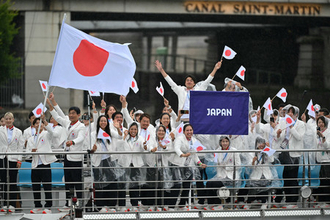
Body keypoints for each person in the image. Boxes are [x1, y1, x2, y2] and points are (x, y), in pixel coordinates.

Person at [48, 93, 85, 210]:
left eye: (74, 113)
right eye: (70, 113)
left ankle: (79, 202)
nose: (71, 115)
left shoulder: (81, 126)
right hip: (67, 157)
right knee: (68, 181)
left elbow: (81, 138)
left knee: (77, 182)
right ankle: (68, 202)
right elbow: (58, 115)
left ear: (78, 115)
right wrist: (51, 103)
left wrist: (72, 142)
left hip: (76, 158)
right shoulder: (67, 122)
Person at [155, 59, 222, 120]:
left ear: (194, 83)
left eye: (191, 80)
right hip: (183, 118)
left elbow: (208, 80)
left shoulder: (198, 89)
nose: (189, 81)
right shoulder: (180, 90)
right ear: (185, 83)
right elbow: (171, 82)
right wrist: (161, 70)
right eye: (187, 80)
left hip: (196, 118)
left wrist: (215, 69)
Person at [90, 115, 125, 213]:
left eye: (105, 121)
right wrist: (93, 149)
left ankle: (111, 205)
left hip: (109, 160)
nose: (103, 123)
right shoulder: (93, 134)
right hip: (98, 161)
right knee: (100, 184)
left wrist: (118, 128)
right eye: (101, 121)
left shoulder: (109, 132)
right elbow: (89, 148)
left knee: (112, 183)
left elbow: (120, 136)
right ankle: (100, 206)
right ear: (98, 123)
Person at [26, 116, 57, 214]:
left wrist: (44, 120)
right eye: (36, 123)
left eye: (40, 123)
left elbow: (52, 132)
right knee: (36, 186)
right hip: (35, 164)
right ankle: (37, 205)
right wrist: (32, 151)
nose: (38, 124)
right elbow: (27, 153)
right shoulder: (31, 139)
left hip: (45, 163)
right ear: (33, 125)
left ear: (43, 125)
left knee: (47, 186)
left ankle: (48, 206)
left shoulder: (46, 134)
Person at [276, 106, 305, 209]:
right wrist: (278, 134)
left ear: (296, 114)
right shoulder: (283, 123)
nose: (290, 114)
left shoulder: (301, 124)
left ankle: (293, 201)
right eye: (288, 112)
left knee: (293, 177)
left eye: (292, 112)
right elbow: (280, 138)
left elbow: (299, 137)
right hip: (284, 152)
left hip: (294, 154)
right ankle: (287, 200)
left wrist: (291, 127)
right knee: (285, 177)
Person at [172, 124, 206, 210]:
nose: (189, 132)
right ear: (184, 132)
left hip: (188, 166)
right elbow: (176, 148)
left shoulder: (194, 140)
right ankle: (171, 206)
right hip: (178, 164)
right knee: (177, 186)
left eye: (191, 130)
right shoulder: (179, 138)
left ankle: (182, 205)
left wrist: (199, 164)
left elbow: (194, 155)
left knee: (187, 186)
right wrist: (182, 155)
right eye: (187, 130)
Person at [206, 136, 241, 211]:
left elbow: (238, 165)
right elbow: (216, 164)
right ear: (220, 142)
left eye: (226, 141)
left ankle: (218, 204)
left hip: (231, 176)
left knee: (216, 184)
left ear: (229, 142)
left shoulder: (234, 151)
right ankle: (211, 204)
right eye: (223, 141)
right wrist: (219, 175)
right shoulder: (217, 151)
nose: (225, 143)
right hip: (221, 175)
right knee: (209, 183)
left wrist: (226, 166)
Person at [117, 122, 147, 212]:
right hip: (125, 164)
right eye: (132, 129)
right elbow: (119, 146)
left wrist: (145, 146)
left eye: (135, 129)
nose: (133, 131)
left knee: (134, 186)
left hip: (135, 164)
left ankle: (134, 205)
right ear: (129, 130)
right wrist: (124, 137)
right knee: (122, 185)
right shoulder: (125, 137)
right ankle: (122, 205)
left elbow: (143, 146)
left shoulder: (140, 138)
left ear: (137, 130)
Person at [242, 137, 276, 210]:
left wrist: (269, 149)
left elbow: (272, 160)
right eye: (259, 143)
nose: (261, 145)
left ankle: (264, 202)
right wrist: (253, 161)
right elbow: (250, 167)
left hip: (266, 174)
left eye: (262, 143)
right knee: (253, 184)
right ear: (256, 144)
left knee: (264, 183)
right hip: (256, 174)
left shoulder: (267, 151)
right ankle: (249, 202)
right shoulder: (252, 153)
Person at [0, 112, 24, 213]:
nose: (8, 121)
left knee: (13, 182)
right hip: (2, 157)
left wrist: (19, 159)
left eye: (10, 119)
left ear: (13, 120)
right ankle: (5, 204)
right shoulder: (0, 130)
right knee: (4, 182)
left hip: (13, 158)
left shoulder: (18, 132)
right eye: (7, 119)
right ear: (4, 120)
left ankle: (13, 204)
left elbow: (20, 146)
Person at [314, 116, 330, 208]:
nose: (320, 124)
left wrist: (323, 137)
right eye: (319, 122)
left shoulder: (328, 132)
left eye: (322, 122)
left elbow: (327, 146)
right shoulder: (317, 133)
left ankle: (327, 201)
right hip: (319, 160)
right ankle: (320, 201)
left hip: (327, 160)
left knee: (326, 181)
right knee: (320, 181)